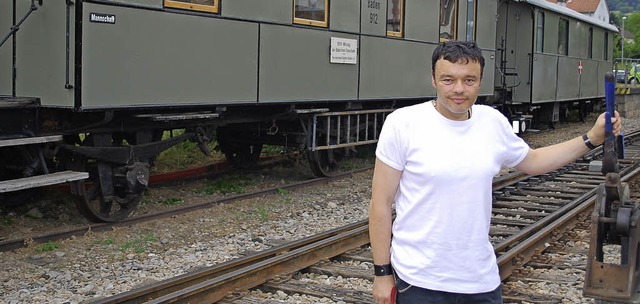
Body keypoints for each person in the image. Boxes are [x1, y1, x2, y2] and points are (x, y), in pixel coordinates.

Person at [369, 40, 622, 304]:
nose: (458, 89)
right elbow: (381, 204)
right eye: (448, 79)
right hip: (418, 282)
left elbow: (534, 161)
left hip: (480, 280)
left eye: (469, 80)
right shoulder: (403, 124)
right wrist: (382, 273)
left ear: (480, 82)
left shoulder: (491, 122)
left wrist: (591, 138)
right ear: (433, 80)